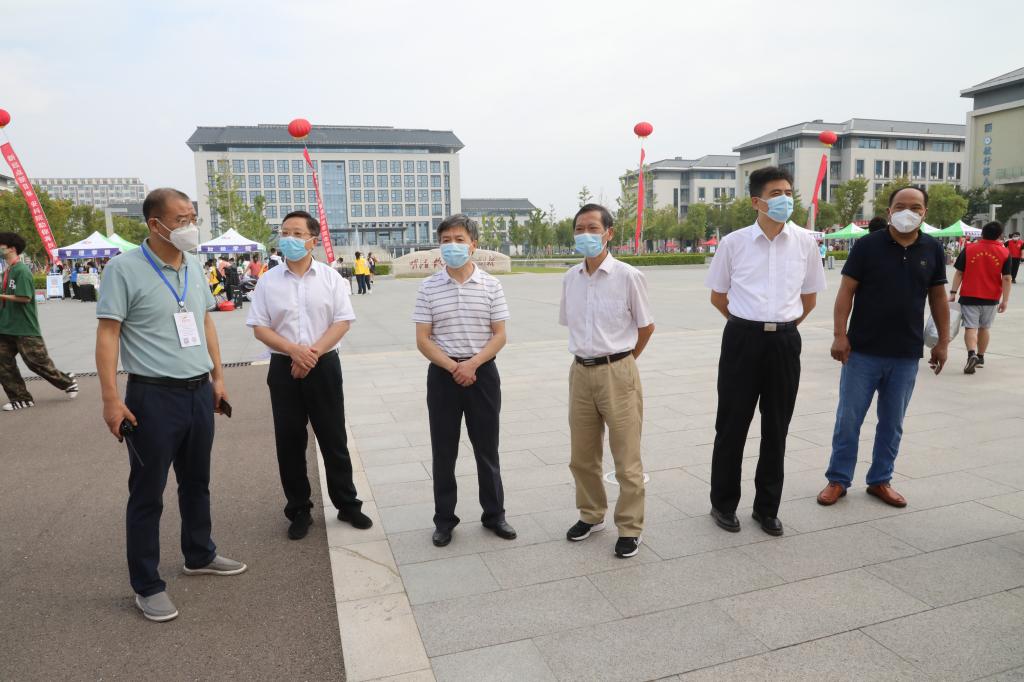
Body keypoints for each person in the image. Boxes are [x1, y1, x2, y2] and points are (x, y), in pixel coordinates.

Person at [95, 188, 245, 623]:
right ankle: (147, 584)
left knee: (197, 481)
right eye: (181, 219)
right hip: (153, 397)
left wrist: (218, 378)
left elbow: (204, 321)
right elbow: (108, 334)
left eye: (192, 217)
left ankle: (199, 553)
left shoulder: (194, 265)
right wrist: (110, 399)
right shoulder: (123, 269)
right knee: (147, 493)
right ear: (154, 224)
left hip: (198, 391)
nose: (190, 226)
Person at [705, 167, 826, 536]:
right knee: (732, 424)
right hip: (742, 339)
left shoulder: (805, 242)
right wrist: (748, 324)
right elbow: (718, 296)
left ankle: (767, 508)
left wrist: (781, 327)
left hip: (785, 343)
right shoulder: (734, 243)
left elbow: (809, 299)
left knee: (777, 427)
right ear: (756, 201)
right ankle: (723, 503)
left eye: (788, 192)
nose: (784, 199)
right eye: (776, 193)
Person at [817, 186, 950, 509]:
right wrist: (839, 335)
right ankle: (838, 479)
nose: (908, 212)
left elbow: (938, 298)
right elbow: (846, 292)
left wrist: (942, 342)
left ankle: (880, 480)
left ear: (925, 212)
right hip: (862, 351)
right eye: (900, 206)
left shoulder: (932, 249)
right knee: (849, 420)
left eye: (915, 207)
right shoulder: (867, 246)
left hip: (906, 353)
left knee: (892, 423)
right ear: (889, 211)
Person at [247, 211, 371, 540]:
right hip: (283, 367)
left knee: (333, 437)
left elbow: (342, 321)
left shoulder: (331, 278)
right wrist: (294, 351)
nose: (289, 238)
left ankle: (347, 504)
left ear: (312, 240)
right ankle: (299, 509)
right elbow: (260, 327)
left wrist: (310, 354)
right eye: (284, 232)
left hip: (324, 364)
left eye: (297, 233)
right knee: (289, 441)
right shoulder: (268, 280)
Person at [412, 214, 515, 547]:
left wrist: (472, 364)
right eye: (446, 241)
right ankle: (444, 520)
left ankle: (495, 515)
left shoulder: (491, 285)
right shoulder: (428, 287)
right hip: (443, 377)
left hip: (482, 374)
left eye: (459, 239)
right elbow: (423, 339)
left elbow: (499, 335)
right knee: (444, 452)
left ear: (473, 245)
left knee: (487, 449)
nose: (452, 246)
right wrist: (454, 367)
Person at [559, 204, 654, 558]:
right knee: (582, 455)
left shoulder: (628, 276)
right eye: (579, 228)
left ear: (609, 233)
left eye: (593, 228)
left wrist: (624, 362)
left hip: (618, 371)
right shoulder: (570, 278)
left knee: (626, 457)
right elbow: (571, 324)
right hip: (580, 372)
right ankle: (591, 514)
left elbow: (646, 327)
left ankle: (630, 527)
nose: (585, 234)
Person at [0, 232, 79, 411]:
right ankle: (20, 398)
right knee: (2, 362)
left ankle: (67, 381)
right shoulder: (7, 271)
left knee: (37, 363)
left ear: (11, 248)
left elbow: (25, 297)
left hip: (24, 327)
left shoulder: (22, 271)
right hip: (5, 327)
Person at [950, 221, 1011, 374]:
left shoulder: (969, 249)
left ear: (982, 233)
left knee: (971, 327)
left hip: (969, 295)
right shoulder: (1005, 253)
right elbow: (1007, 278)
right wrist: (1005, 300)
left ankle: (971, 354)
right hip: (991, 297)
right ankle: (980, 357)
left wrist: (953, 292)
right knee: (984, 327)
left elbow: (959, 272)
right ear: (1000, 235)